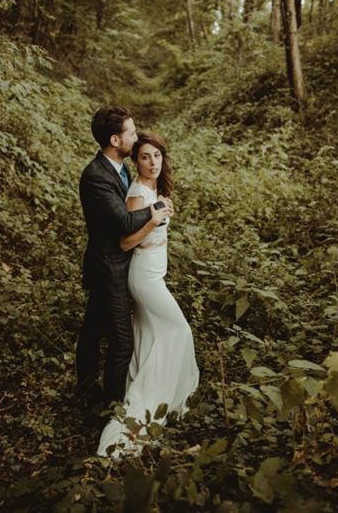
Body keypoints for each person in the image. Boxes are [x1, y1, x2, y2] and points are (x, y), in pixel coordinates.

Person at [97, 131, 199, 457]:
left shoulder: (156, 187)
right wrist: (153, 221)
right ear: (135, 160)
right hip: (144, 277)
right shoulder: (139, 194)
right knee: (178, 331)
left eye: (156, 156)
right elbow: (126, 242)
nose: (152, 163)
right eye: (145, 157)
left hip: (156, 274)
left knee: (150, 336)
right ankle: (151, 403)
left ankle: (159, 402)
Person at [76, 106, 173, 410]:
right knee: (121, 342)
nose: (135, 135)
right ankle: (112, 406)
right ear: (116, 140)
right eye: (130, 132)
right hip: (110, 267)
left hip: (122, 261)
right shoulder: (95, 176)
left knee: (93, 329)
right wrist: (157, 208)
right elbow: (124, 222)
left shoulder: (120, 168)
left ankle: (86, 387)